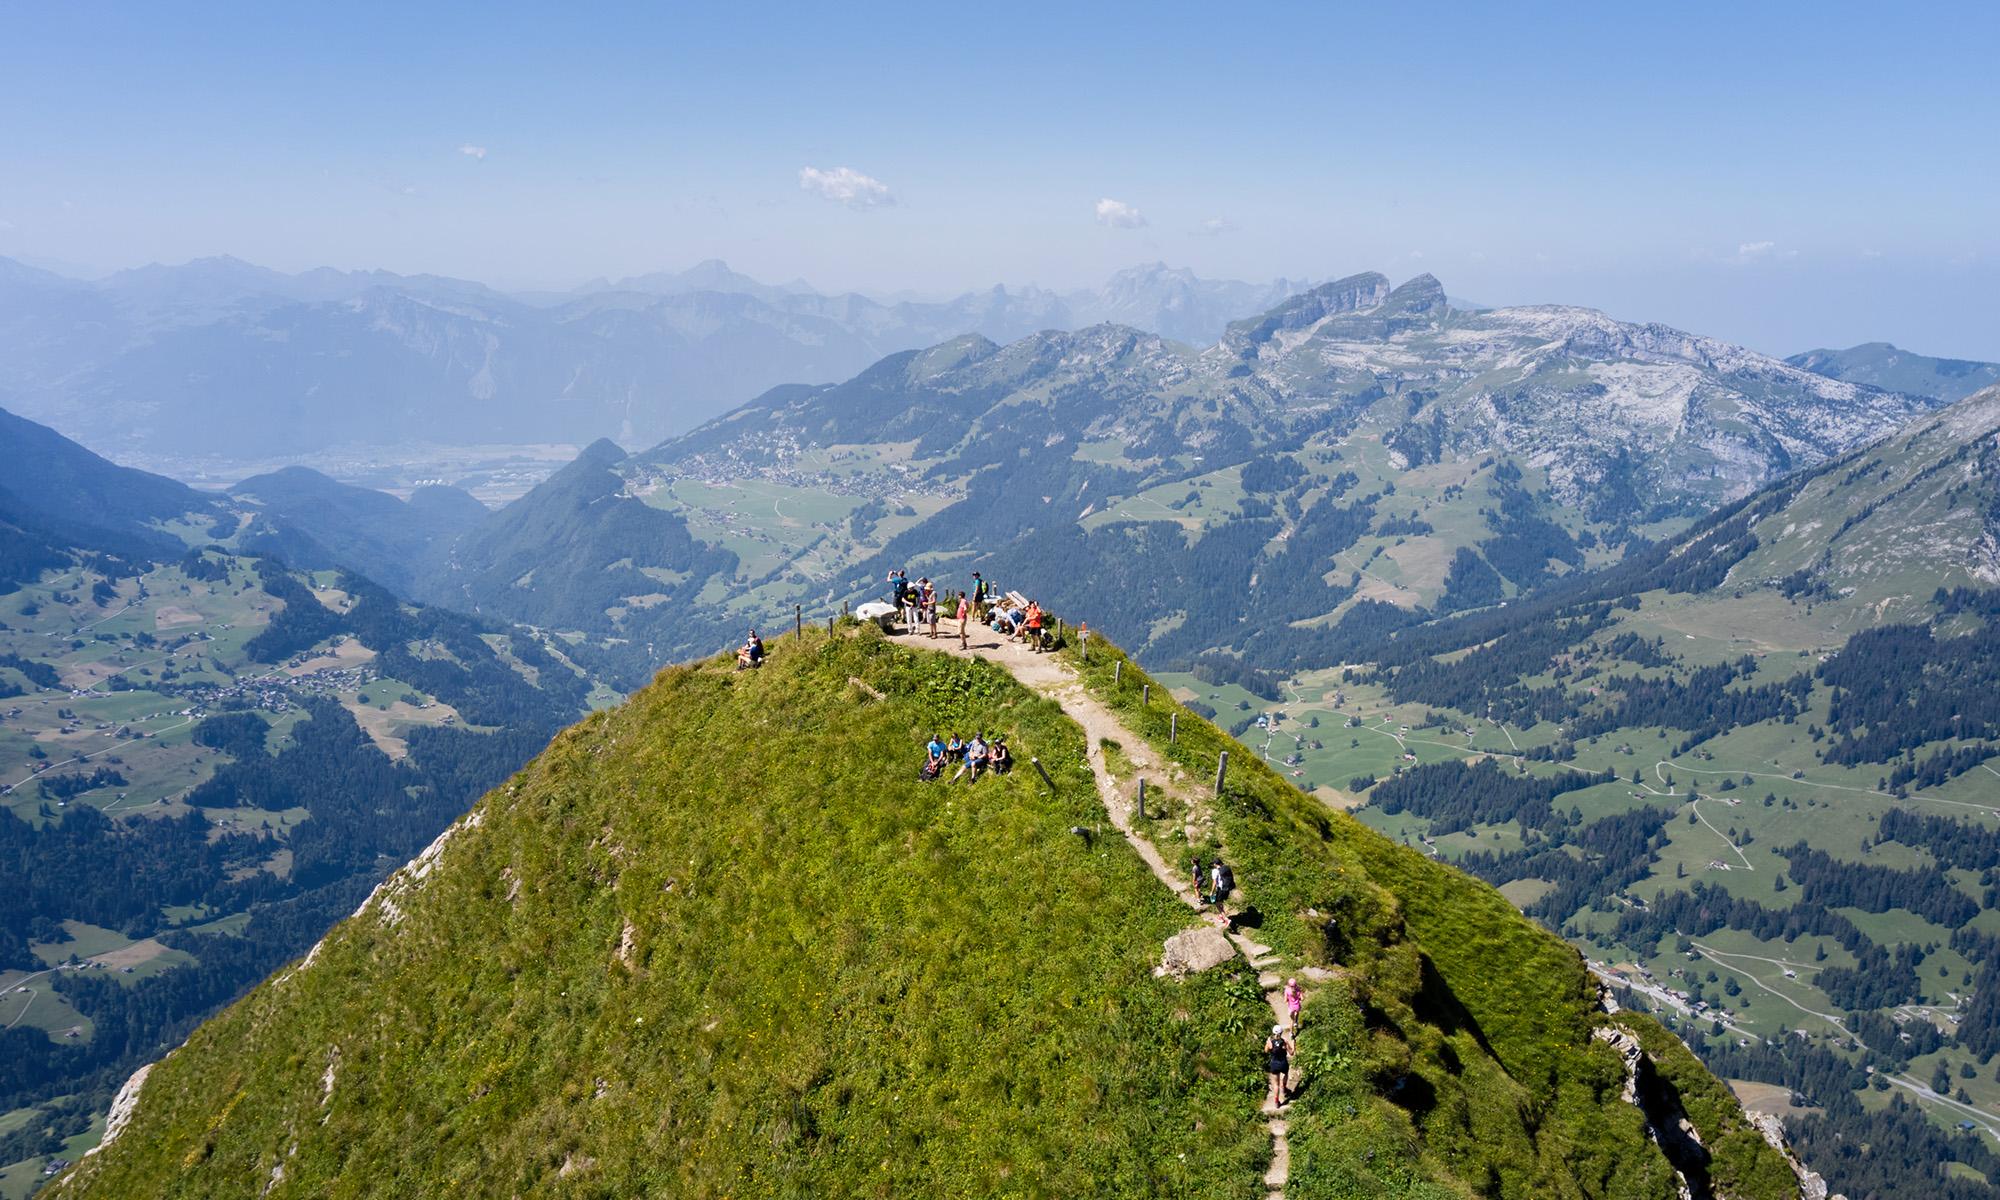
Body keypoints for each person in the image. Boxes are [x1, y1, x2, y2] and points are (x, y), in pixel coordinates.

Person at [1264, 1024, 1292, 1109]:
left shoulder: (1270, 1042)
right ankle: (1284, 1086)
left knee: (1276, 1084)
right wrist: (1293, 1044)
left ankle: (1276, 1101)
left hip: (1274, 1064)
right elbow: (1291, 1053)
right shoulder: (1284, 1042)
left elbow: (1265, 1051)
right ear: (1282, 1032)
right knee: (1286, 1074)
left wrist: (1267, 1042)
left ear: (1273, 1032)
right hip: (1283, 1063)